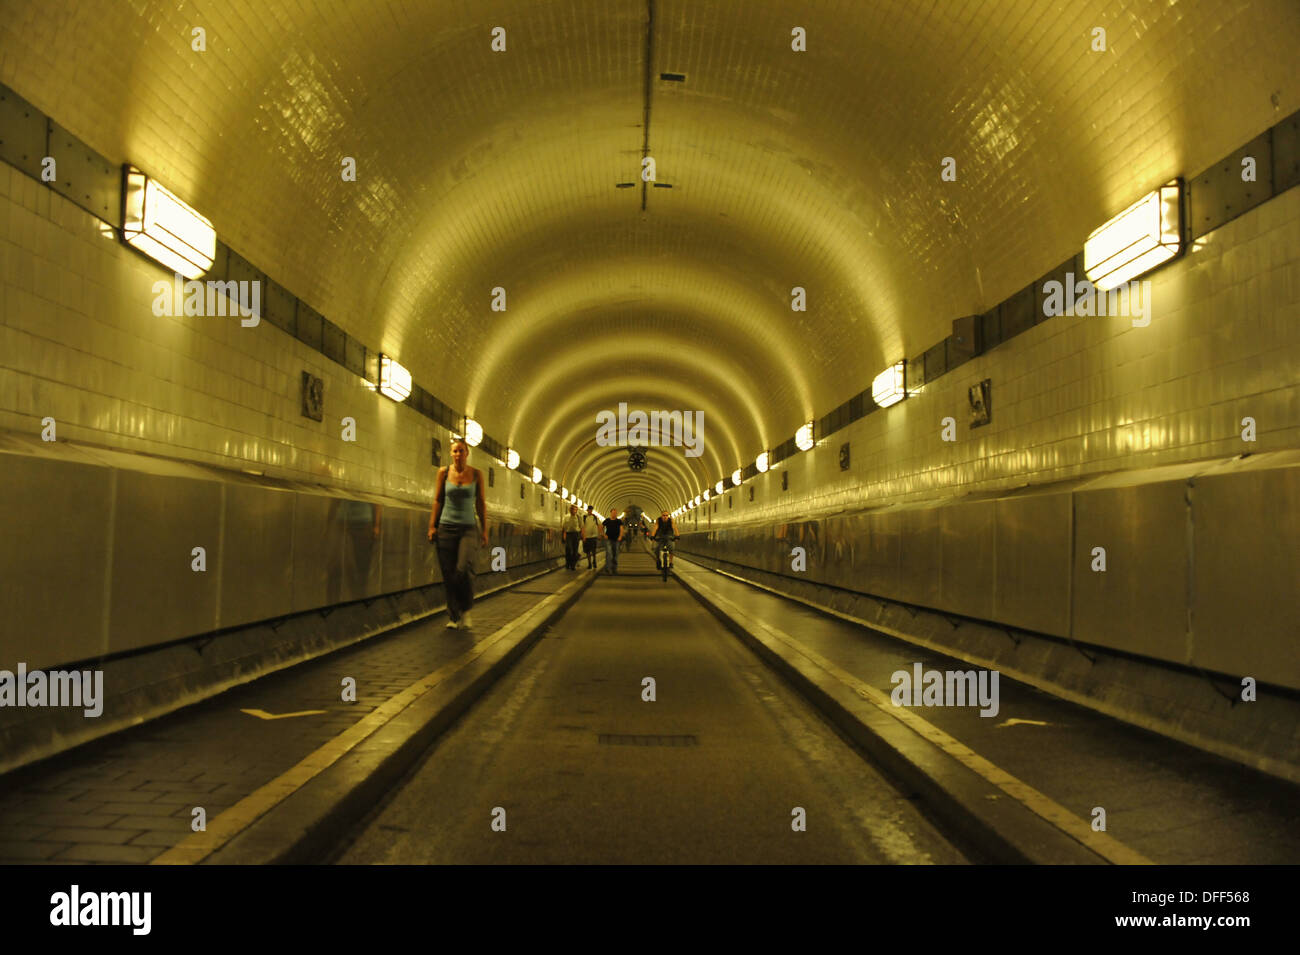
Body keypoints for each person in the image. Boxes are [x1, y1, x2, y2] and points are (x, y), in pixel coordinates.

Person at [428, 439, 488, 630]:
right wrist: (432, 526)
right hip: (446, 528)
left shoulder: (477, 474)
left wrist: (484, 530)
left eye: (461, 451)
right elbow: (437, 500)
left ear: (467, 453)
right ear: (450, 453)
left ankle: (466, 608)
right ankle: (454, 616)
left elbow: (481, 503)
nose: (458, 454)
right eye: (454, 451)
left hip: (468, 529)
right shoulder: (443, 473)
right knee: (449, 574)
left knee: (463, 569)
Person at [561, 504, 582, 571]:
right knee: (569, 549)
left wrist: (582, 536)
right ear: (570, 510)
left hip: (576, 534)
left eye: (575, 509)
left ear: (576, 510)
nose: (573, 510)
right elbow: (563, 527)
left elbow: (581, 527)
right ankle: (568, 563)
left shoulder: (578, 517)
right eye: (572, 509)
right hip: (568, 534)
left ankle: (573, 565)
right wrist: (564, 535)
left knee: (575, 550)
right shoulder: (566, 517)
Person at [602, 509, 623, 574]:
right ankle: (608, 568)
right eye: (613, 513)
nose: (614, 514)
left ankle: (614, 568)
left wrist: (620, 536)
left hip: (616, 540)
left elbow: (621, 529)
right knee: (609, 553)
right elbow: (601, 527)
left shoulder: (619, 521)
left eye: (615, 513)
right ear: (610, 513)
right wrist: (603, 534)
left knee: (615, 554)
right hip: (608, 539)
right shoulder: (607, 520)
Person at [581, 504, 601, 569]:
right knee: (588, 551)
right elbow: (583, 527)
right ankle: (589, 563)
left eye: (591, 510)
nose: (590, 511)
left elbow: (599, 525)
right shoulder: (584, 517)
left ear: (592, 510)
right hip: (587, 537)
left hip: (594, 536)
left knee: (593, 551)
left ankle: (594, 561)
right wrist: (583, 536)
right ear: (587, 510)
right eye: (589, 510)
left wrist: (599, 534)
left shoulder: (595, 517)